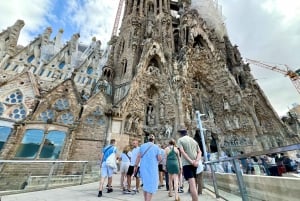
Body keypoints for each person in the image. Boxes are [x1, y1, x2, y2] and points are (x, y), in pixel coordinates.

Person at [134, 134, 162, 201]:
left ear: (147, 139)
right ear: (153, 139)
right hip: (152, 169)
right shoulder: (156, 147)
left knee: (145, 185)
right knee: (151, 186)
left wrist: (135, 166)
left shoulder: (142, 146)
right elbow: (159, 158)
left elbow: (138, 157)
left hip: (143, 168)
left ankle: (145, 199)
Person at [177, 128, 202, 201]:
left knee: (192, 185)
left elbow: (182, 152)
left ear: (180, 134)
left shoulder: (180, 140)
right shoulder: (194, 140)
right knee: (194, 183)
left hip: (187, 164)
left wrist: (191, 161)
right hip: (195, 165)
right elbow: (200, 152)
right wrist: (196, 161)